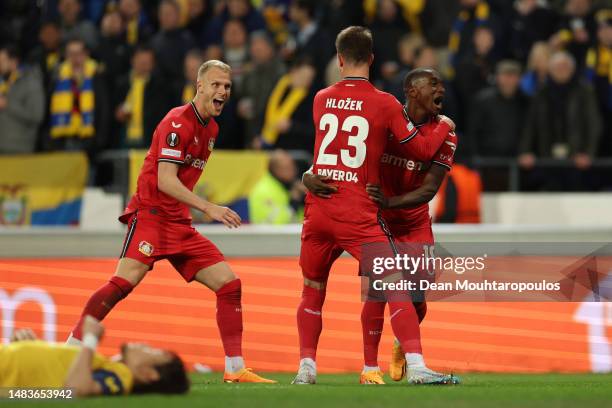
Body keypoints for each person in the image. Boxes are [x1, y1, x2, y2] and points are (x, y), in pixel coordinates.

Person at [67, 60, 275, 384]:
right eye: (216, 85)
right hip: (151, 214)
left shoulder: (212, 129)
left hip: (178, 222)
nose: (222, 91)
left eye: (227, 87)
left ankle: (235, 368)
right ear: (200, 85)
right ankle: (72, 348)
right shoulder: (178, 122)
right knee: (123, 283)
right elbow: (165, 179)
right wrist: (209, 207)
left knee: (229, 284)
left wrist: (194, 210)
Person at [293, 26, 454, 385]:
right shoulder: (384, 104)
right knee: (394, 286)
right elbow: (424, 150)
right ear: (372, 59)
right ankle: (413, 366)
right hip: (359, 211)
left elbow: (326, 154)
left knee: (313, 288)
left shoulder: (320, 98)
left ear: (339, 59)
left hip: (319, 210)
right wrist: (445, 125)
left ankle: (306, 367)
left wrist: (308, 175)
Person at [1, 316, 189, 396]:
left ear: (150, 374)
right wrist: (27, 348)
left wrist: (91, 338)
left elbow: (76, 389)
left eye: (154, 352)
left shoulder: (121, 376)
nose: (145, 345)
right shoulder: (103, 366)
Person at [0, 44, 45, 154]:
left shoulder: (30, 82)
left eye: (2, 61)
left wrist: (7, 105)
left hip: (18, 149)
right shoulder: (3, 82)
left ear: (14, 62)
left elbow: (36, 115)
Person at [249, 149, 305, 224]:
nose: (294, 171)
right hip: (268, 234)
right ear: (276, 170)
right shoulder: (263, 190)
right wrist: (294, 201)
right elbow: (278, 223)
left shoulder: (286, 185)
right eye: (288, 168)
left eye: (293, 166)